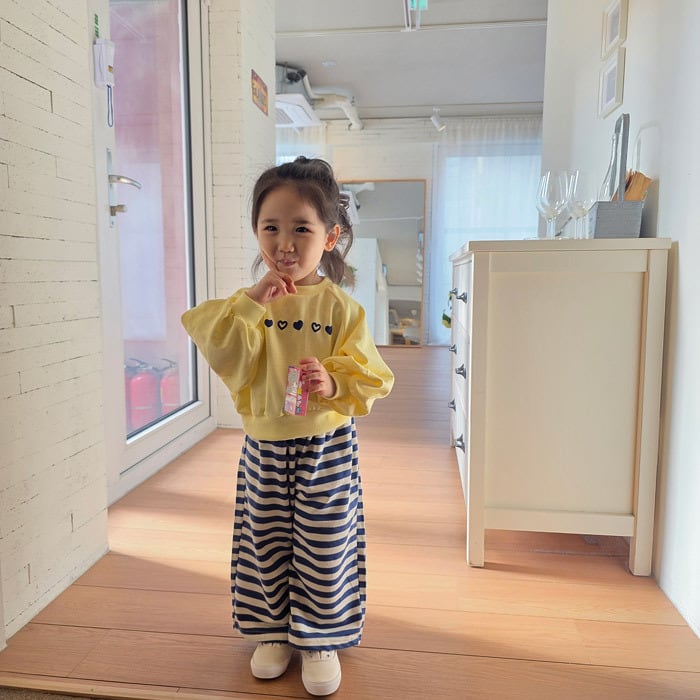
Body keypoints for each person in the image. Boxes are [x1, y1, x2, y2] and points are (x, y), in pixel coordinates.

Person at [181, 156, 394, 696]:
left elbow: (372, 374)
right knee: (265, 539)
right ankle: (272, 632)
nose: (284, 244)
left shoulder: (341, 308)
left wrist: (333, 381)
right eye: (270, 227)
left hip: (326, 445)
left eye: (302, 229)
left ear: (330, 237)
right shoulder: (247, 304)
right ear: (256, 232)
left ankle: (320, 637)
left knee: (325, 541)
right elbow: (222, 348)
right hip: (265, 446)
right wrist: (254, 302)